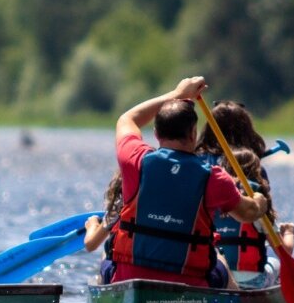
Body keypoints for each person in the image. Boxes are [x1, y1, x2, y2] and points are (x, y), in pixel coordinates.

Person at [107, 76, 267, 288]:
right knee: (218, 258)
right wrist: (259, 201)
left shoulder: (135, 160)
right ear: (193, 134)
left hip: (131, 278)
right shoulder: (214, 177)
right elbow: (248, 213)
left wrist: (178, 94)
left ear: (156, 134)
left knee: (106, 257)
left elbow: (127, 119)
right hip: (189, 280)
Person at [196, 100, 294, 289]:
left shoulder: (197, 165)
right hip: (249, 276)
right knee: (276, 264)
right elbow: (284, 250)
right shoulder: (252, 183)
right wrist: (289, 233)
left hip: (210, 270)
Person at [80, 173, 123, 284]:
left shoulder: (122, 200)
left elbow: (91, 244)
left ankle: (102, 289)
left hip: (125, 275)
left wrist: (92, 224)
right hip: (169, 274)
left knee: (107, 248)